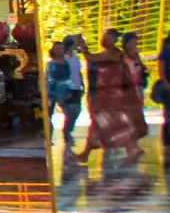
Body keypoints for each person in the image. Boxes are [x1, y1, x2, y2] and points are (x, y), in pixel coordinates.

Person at [84, 28, 147, 164]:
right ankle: (86, 152)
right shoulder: (117, 53)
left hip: (112, 94)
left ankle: (131, 151)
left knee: (113, 122)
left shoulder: (114, 54)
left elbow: (91, 58)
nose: (110, 39)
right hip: (109, 93)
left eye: (111, 37)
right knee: (102, 123)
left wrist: (82, 46)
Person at [46, 39, 80, 145]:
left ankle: (67, 133)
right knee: (48, 115)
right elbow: (48, 78)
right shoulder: (50, 64)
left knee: (71, 113)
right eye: (57, 48)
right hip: (52, 92)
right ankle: (49, 137)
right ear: (53, 50)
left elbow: (70, 76)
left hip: (64, 91)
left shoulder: (67, 63)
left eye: (61, 48)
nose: (60, 50)